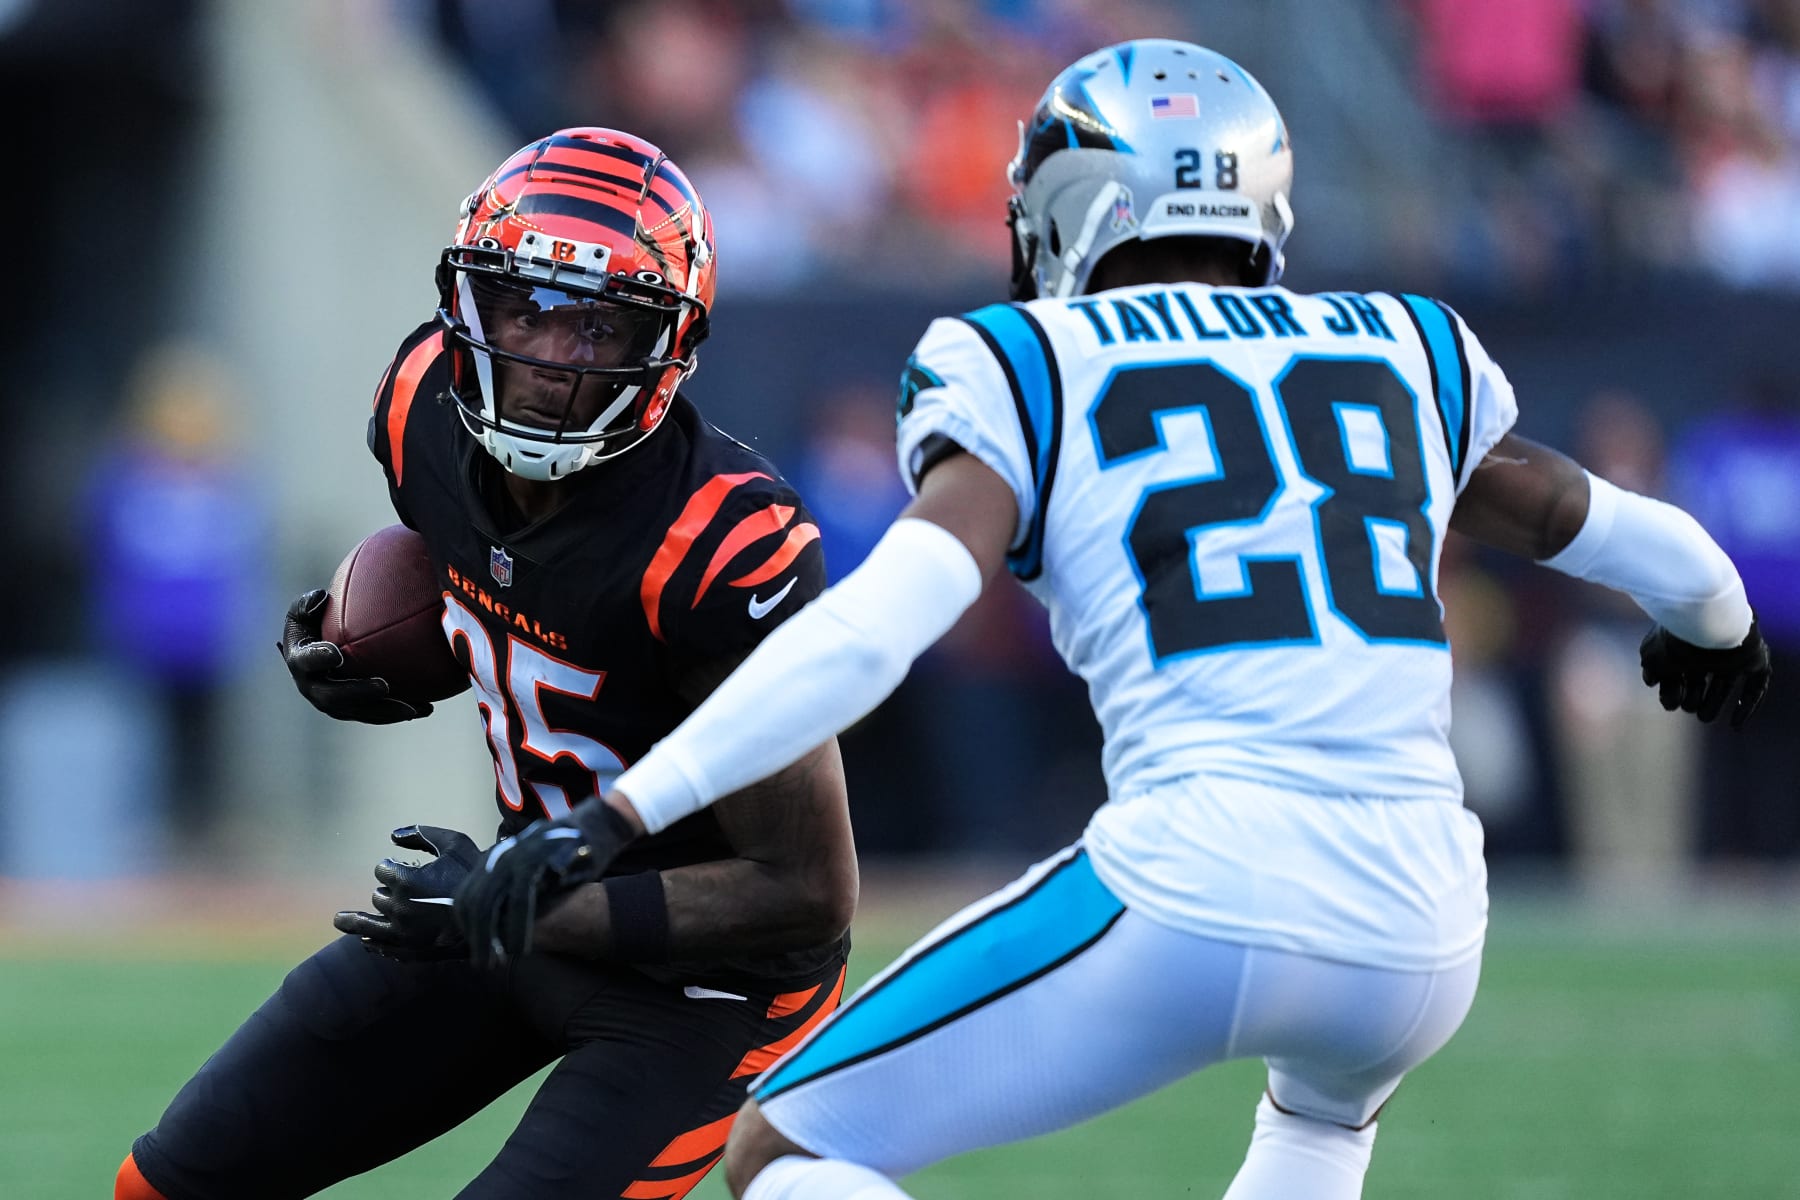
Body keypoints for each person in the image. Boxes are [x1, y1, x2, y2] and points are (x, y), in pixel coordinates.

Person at [455, 42, 1772, 1200]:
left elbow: (879, 627)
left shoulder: (1030, 357)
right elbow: (1598, 520)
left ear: (1078, 203)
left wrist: (617, 817)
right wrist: (1713, 619)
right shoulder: (1395, 341)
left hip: (1205, 876)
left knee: (789, 1150)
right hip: (1430, 917)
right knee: (1324, 1111)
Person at [116, 128, 858, 1200]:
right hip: (518, 898)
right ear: (468, 308)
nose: (550, 358)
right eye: (524, 311)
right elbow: (494, 587)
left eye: (597, 322)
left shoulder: (718, 542)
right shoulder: (419, 404)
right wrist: (337, 636)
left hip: (707, 988)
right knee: (172, 1184)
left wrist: (512, 910)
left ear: (669, 341)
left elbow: (806, 891)